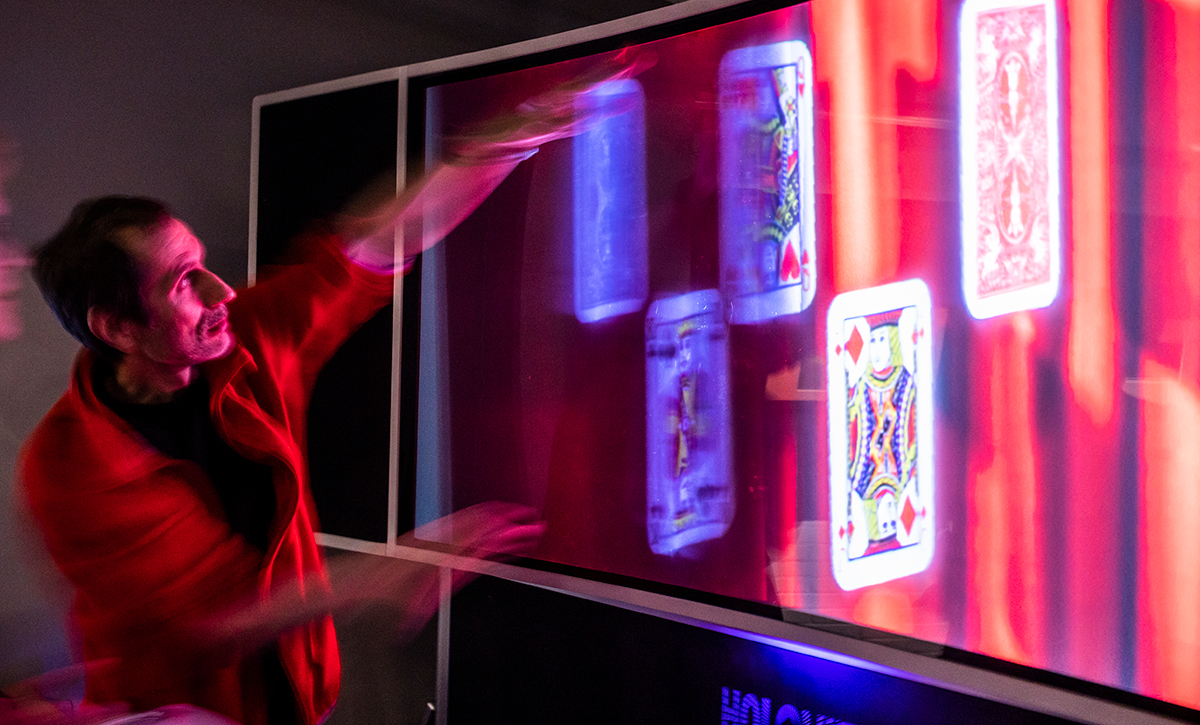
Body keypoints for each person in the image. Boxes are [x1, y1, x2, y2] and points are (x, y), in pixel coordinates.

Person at [16, 65, 632, 725]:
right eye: (182, 282)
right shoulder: (67, 465)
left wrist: (510, 136)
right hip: (178, 713)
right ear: (117, 328)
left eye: (202, 262)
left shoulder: (240, 339)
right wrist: (387, 572)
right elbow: (214, 617)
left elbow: (373, 242)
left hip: (301, 692)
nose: (222, 292)